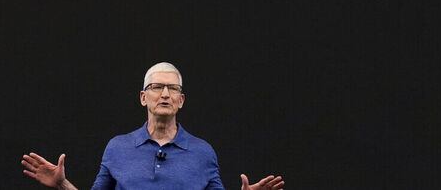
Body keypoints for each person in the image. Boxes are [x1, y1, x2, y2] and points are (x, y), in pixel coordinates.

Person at [22, 62, 284, 190]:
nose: (165, 94)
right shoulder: (117, 147)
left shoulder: (203, 152)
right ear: (143, 97)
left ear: (181, 100)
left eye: (173, 89)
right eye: (157, 87)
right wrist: (62, 184)